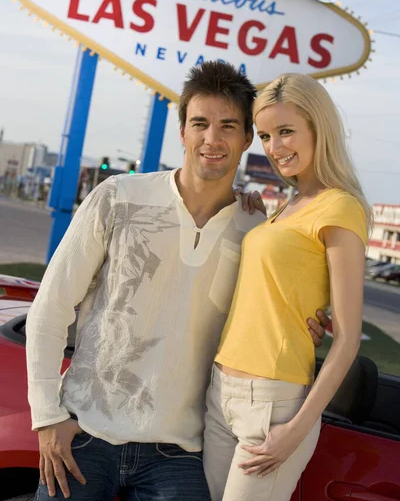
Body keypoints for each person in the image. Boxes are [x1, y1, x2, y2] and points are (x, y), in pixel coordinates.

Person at [26, 62, 328, 501]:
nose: (212, 138)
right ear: (182, 131)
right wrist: (47, 417)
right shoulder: (117, 198)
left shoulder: (256, 230)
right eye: (200, 124)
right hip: (85, 435)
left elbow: (272, 315)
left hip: (180, 453)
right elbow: (50, 309)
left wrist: (307, 323)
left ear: (247, 138)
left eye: (228, 126)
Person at [203, 73, 371, 501]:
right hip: (223, 391)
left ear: (318, 127)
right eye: (265, 135)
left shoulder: (340, 206)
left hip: (275, 405)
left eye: (286, 132)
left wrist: (295, 430)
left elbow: (348, 340)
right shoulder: (288, 205)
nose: (275, 148)